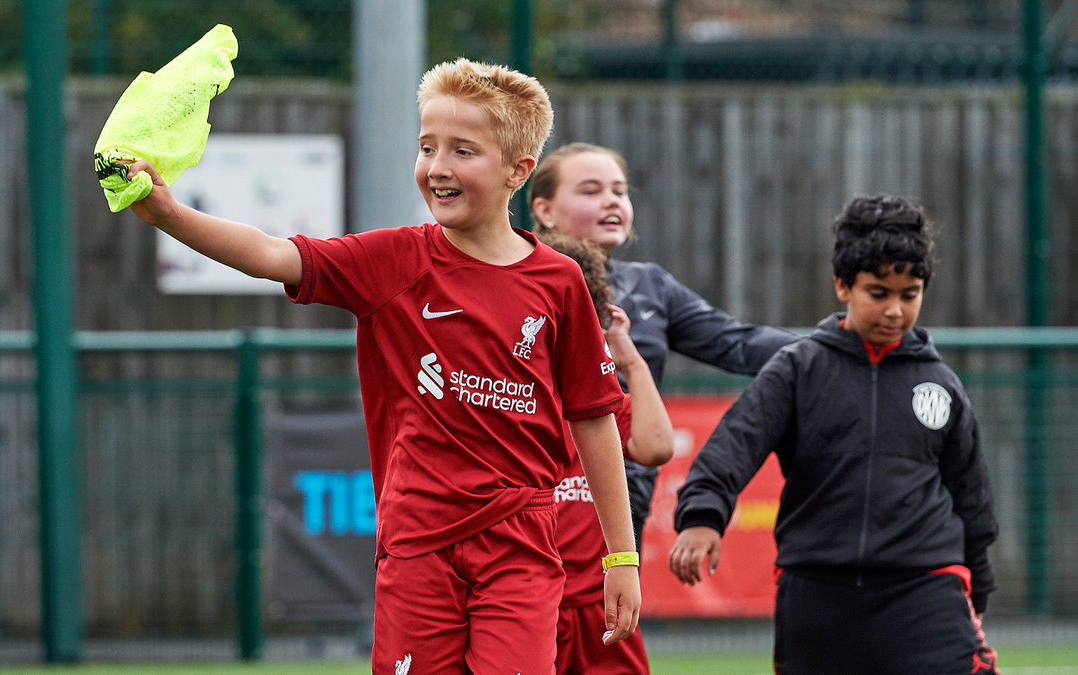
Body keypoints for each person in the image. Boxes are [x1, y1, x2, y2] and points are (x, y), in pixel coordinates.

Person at [110, 58, 641, 673]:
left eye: (463, 151)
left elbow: (595, 418)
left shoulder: (558, 280)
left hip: (522, 543)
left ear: (517, 172)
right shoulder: (391, 261)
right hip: (419, 543)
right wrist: (169, 214)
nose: (438, 167)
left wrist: (620, 559)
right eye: (427, 147)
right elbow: (269, 255)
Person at [669, 194, 1000, 674]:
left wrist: (980, 586)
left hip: (925, 588)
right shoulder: (798, 369)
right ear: (843, 286)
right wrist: (702, 518)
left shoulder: (940, 383)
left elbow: (971, 496)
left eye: (909, 295)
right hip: (816, 592)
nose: (894, 310)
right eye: (879, 293)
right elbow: (732, 446)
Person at [529, 142, 798, 549]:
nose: (611, 202)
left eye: (619, 191)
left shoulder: (649, 285)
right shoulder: (514, 279)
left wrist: (832, 347)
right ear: (544, 210)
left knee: (612, 613)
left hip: (624, 494)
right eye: (590, 191)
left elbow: (738, 344)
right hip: (535, 493)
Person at [541, 232, 673, 674]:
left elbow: (656, 446)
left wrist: (630, 360)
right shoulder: (511, 403)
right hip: (533, 605)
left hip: (603, 605)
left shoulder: (601, 406)